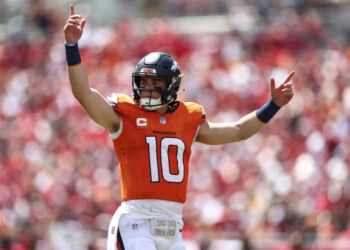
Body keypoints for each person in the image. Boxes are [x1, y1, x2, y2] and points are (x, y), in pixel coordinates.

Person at [63, 5, 295, 250]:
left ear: (171, 86)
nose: (148, 87)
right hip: (136, 222)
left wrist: (273, 106)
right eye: (144, 81)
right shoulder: (124, 114)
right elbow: (84, 94)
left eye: (155, 81)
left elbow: (238, 130)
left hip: (173, 226)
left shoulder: (188, 117)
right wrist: (71, 47)